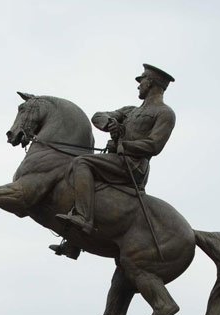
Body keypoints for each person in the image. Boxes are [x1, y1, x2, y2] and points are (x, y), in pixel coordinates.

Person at [51, 63, 177, 258]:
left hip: (133, 166)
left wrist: (123, 145)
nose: (139, 85)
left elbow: (155, 145)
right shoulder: (130, 111)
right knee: (85, 180)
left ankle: (84, 218)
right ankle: (74, 241)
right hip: (116, 160)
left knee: (81, 163)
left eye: (142, 80)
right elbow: (98, 116)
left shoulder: (164, 113)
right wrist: (110, 123)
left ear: (150, 83)